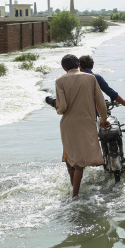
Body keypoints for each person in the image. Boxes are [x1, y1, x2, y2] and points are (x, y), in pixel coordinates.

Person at [45, 54, 109, 198]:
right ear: (78, 64)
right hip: (87, 122)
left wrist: (55, 105)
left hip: (69, 124)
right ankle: (75, 193)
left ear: (64, 67)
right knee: (80, 162)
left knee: (70, 156)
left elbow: (62, 107)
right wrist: (104, 120)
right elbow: (100, 103)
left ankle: (74, 192)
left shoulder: (60, 81)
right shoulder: (91, 78)